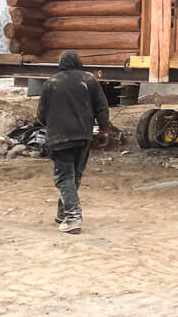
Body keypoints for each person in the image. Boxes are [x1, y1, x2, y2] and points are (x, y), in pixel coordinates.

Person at [36, 50, 110, 234]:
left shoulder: (50, 83)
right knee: (74, 175)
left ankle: (73, 218)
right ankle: (63, 213)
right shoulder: (90, 80)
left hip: (59, 138)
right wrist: (103, 130)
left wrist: (54, 125)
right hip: (84, 136)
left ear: (60, 64)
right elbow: (102, 107)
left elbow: (40, 115)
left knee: (64, 177)